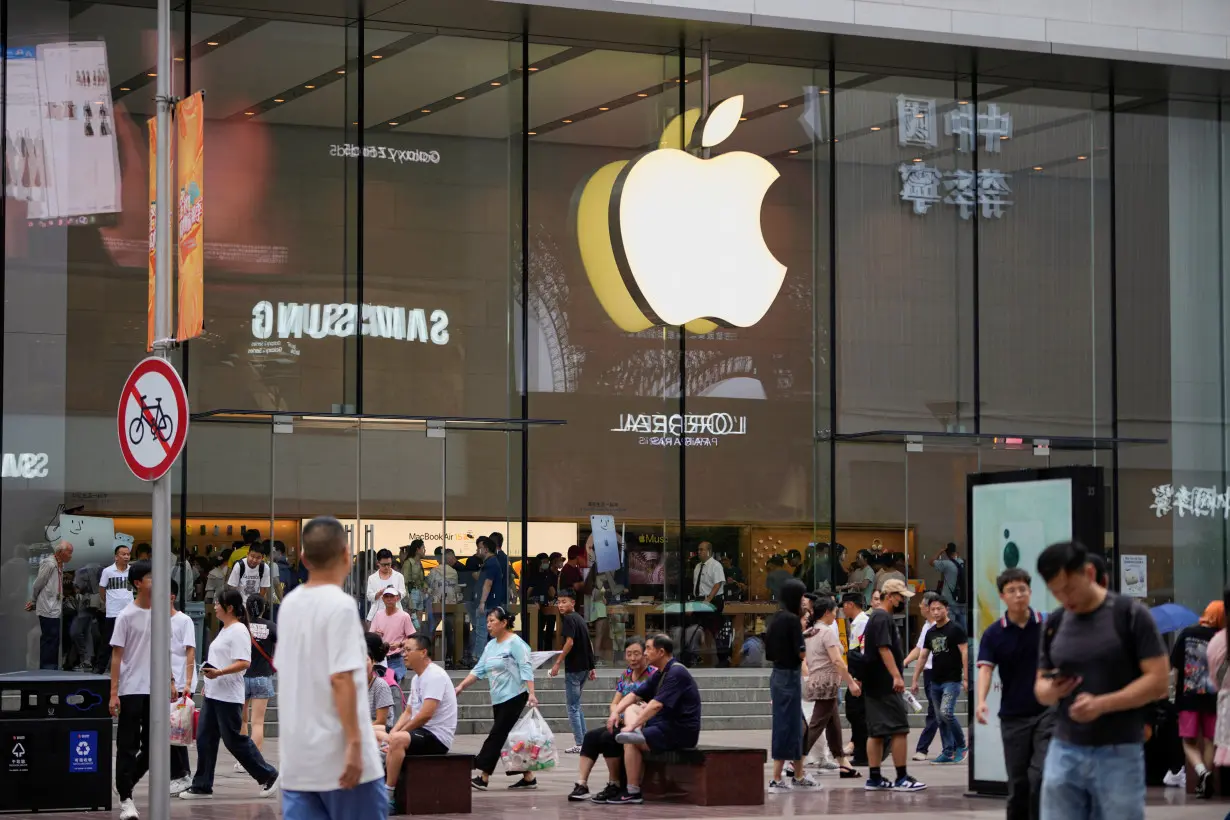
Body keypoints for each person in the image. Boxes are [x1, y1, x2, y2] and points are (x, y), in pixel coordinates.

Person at [1034, 540, 1167, 820]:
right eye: (1055, 592)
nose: (1064, 598)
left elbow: (1157, 682)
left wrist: (1102, 704)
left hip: (1119, 751)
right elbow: (1040, 688)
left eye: (1069, 588)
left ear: (1090, 573)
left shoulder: (1130, 615)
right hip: (1064, 748)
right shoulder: (1055, 623)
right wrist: (1052, 689)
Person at [274, 516, 386, 819]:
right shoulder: (341, 605)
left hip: (298, 762)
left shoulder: (289, 605)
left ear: (304, 558)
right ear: (346, 555)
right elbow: (342, 677)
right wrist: (354, 744)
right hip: (342, 763)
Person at [181, 587, 280, 800]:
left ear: (230, 607)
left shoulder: (239, 631)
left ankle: (268, 775)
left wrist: (219, 673)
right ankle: (202, 785)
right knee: (205, 738)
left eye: (218, 603)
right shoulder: (225, 629)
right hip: (214, 694)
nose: (214, 607)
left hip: (228, 696)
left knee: (234, 740)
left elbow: (244, 662)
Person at [975, 567, 1052, 820]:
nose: (1018, 595)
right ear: (1002, 596)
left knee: (1040, 776)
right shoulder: (994, 633)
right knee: (1018, 783)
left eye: (1023, 589)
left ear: (1030, 592)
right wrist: (980, 701)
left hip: (1047, 713)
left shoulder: (1047, 625)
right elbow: (985, 670)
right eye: (1012, 591)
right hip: (1014, 716)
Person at [606, 634, 701, 804]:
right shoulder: (662, 672)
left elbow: (655, 705)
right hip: (664, 725)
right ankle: (634, 734)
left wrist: (633, 725)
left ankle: (632, 791)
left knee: (631, 740)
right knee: (632, 708)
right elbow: (635, 694)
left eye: (648, 649)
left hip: (680, 731)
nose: (645, 653)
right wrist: (615, 712)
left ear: (661, 651)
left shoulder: (677, 672)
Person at [454, 606, 540, 790]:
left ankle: (483, 774)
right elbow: (479, 669)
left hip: (515, 695)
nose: (488, 625)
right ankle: (528, 777)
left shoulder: (515, 643)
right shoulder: (491, 645)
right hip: (498, 697)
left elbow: (526, 667)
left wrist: (531, 692)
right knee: (507, 737)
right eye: (487, 622)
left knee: (497, 735)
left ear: (504, 623)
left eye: (492, 621)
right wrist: (461, 686)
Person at [568, 636, 656, 803]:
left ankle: (614, 784)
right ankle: (581, 784)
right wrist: (616, 714)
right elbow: (615, 703)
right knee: (591, 736)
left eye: (636, 654)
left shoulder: (653, 675)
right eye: (629, 654)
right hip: (621, 721)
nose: (632, 658)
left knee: (608, 737)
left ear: (645, 654)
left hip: (640, 724)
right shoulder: (626, 675)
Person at [861, 578, 926, 792]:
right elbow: (883, 648)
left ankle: (875, 777)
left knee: (877, 732)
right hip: (884, 684)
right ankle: (901, 777)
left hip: (874, 683)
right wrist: (897, 676)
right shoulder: (882, 617)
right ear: (891, 597)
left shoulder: (877, 616)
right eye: (901, 597)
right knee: (899, 729)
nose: (903, 602)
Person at [383, 634, 458, 810]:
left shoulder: (435, 675)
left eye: (408, 650)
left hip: (436, 737)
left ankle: (388, 796)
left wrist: (399, 735)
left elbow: (425, 715)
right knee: (379, 731)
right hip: (420, 732)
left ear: (423, 652)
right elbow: (408, 711)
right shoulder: (417, 678)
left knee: (397, 740)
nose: (404, 654)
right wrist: (393, 731)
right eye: (403, 650)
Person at [764, 579, 819, 793]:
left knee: (799, 726)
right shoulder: (793, 620)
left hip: (779, 675)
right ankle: (777, 778)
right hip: (789, 677)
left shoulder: (777, 618)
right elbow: (801, 652)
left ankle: (797, 774)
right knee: (787, 726)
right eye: (803, 595)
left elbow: (771, 650)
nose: (805, 600)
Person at [109, 560, 153, 820]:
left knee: (154, 747)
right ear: (137, 583)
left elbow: (165, 651)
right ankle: (126, 799)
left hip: (154, 689)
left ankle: (124, 783)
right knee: (127, 745)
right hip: (130, 688)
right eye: (150, 578)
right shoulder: (126, 615)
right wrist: (114, 693)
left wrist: (170, 680)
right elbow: (117, 656)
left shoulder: (160, 613)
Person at [801, 596, 861, 778]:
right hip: (827, 683)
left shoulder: (810, 631)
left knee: (833, 723)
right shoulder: (826, 632)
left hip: (817, 680)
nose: (836, 614)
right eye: (835, 611)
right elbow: (836, 660)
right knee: (817, 724)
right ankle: (796, 759)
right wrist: (850, 682)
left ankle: (842, 762)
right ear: (827, 612)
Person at [1170, 599, 1224, 798]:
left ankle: (1201, 773)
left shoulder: (1186, 634)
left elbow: (1175, 669)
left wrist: (1173, 694)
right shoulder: (1220, 638)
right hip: (1212, 698)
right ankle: (1207, 777)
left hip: (1188, 697)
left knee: (1189, 742)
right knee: (1210, 740)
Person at [911, 596, 967, 763]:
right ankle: (947, 751)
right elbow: (922, 657)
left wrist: (965, 676)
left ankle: (962, 745)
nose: (935, 612)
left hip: (952, 680)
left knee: (946, 713)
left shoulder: (955, 629)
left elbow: (964, 651)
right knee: (940, 717)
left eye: (939, 609)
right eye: (933, 609)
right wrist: (914, 680)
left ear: (946, 609)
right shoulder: (930, 632)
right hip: (935, 680)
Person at [550, 590, 597, 753]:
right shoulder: (579, 618)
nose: (561, 605)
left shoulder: (569, 619)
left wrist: (557, 663)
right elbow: (588, 643)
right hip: (584, 668)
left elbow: (569, 642)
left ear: (573, 603)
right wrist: (592, 666)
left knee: (572, 707)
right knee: (576, 705)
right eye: (559, 602)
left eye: (564, 602)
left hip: (575, 669)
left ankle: (579, 743)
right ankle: (584, 741)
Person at [237, 594, 278, 768]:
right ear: (263, 608)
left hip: (242, 677)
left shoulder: (241, 626)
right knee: (258, 722)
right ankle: (255, 760)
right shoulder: (271, 626)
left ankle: (242, 761)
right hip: (263, 677)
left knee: (242, 720)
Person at [903, 591, 940, 761]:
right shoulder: (926, 626)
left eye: (922, 604)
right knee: (939, 713)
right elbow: (919, 650)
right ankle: (954, 746)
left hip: (940, 672)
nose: (919, 606)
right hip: (928, 672)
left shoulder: (941, 627)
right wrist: (905, 662)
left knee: (936, 712)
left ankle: (923, 748)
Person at [169, 579, 197, 796]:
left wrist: (186, 683)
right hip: (165, 682)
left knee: (176, 731)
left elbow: (190, 651)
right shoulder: (155, 619)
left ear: (171, 596)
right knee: (169, 731)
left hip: (179, 683)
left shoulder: (184, 620)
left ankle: (182, 775)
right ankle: (177, 775)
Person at [27, 540, 72, 670]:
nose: (71, 556)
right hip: (47, 607)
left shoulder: (59, 565)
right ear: (60, 552)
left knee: (54, 639)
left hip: (54, 608)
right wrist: (34, 601)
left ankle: (51, 669)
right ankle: (47, 670)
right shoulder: (49, 564)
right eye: (69, 552)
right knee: (49, 640)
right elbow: (38, 583)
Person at [841, 592, 870, 766]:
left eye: (844, 605)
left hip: (859, 674)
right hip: (856, 672)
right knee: (854, 712)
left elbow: (861, 651)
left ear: (850, 604)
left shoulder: (862, 622)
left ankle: (862, 753)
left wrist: (857, 676)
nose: (843, 609)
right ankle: (860, 750)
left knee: (856, 712)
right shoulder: (857, 622)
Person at [100, 544, 134, 672]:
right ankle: (100, 668)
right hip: (112, 612)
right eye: (123, 554)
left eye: (128, 554)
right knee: (108, 641)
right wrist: (108, 602)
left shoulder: (132, 571)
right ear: (116, 557)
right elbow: (102, 589)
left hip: (129, 612)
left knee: (129, 641)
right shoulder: (108, 571)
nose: (126, 557)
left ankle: (127, 668)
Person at [371, 586, 415, 683]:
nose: (389, 599)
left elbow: (412, 639)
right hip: (380, 659)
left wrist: (399, 644)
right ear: (382, 599)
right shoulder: (378, 614)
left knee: (392, 684)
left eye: (392, 596)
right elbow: (371, 636)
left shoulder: (404, 616)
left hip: (397, 659)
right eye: (386, 596)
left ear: (397, 598)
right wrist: (376, 634)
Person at [426, 549, 461, 666]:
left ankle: (427, 656)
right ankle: (449, 658)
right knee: (450, 632)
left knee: (430, 630)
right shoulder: (454, 572)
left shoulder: (434, 571)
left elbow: (430, 586)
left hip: (436, 604)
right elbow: (456, 589)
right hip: (450, 604)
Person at [476, 537, 507, 651]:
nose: (477, 550)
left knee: (482, 632)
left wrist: (482, 602)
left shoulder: (492, 563)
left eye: (479, 548)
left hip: (489, 603)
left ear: (486, 549)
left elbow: (488, 583)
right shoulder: (489, 562)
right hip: (490, 603)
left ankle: (480, 659)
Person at [365, 548, 406, 626]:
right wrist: (380, 593)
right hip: (377, 613)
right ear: (378, 563)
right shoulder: (372, 578)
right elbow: (370, 596)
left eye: (389, 564)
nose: (387, 567)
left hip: (395, 612)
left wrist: (394, 593)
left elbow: (403, 593)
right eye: (384, 565)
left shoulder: (399, 576)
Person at [931, 543, 966, 630]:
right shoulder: (962, 563)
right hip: (962, 599)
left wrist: (940, 551)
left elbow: (931, 562)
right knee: (963, 628)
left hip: (950, 599)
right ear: (956, 552)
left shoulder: (947, 564)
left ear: (946, 553)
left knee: (951, 628)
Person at [365, 633, 396, 734]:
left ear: (373, 661)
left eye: (365, 660)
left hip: (379, 732)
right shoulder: (353, 685)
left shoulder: (380, 685)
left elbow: (381, 721)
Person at [526, 553, 557, 651]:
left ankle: (546, 649)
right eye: (544, 562)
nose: (546, 564)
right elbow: (528, 591)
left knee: (546, 628)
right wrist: (530, 601)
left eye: (547, 562)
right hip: (535, 606)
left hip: (545, 604)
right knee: (537, 629)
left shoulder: (547, 575)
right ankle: (536, 649)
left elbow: (551, 591)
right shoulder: (532, 575)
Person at [227, 542, 271, 606]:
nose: (254, 560)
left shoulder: (265, 567)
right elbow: (233, 587)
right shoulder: (239, 565)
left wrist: (258, 604)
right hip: (240, 604)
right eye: (252, 556)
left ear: (262, 558)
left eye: (258, 558)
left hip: (255, 604)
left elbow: (263, 588)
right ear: (247, 554)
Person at [401, 539, 428, 630]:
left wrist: (425, 587)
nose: (424, 550)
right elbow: (404, 581)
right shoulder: (408, 563)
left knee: (419, 619)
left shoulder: (419, 563)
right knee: (411, 618)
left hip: (419, 592)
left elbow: (422, 580)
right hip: (411, 592)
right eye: (423, 548)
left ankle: (418, 638)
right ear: (417, 550)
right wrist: (407, 598)